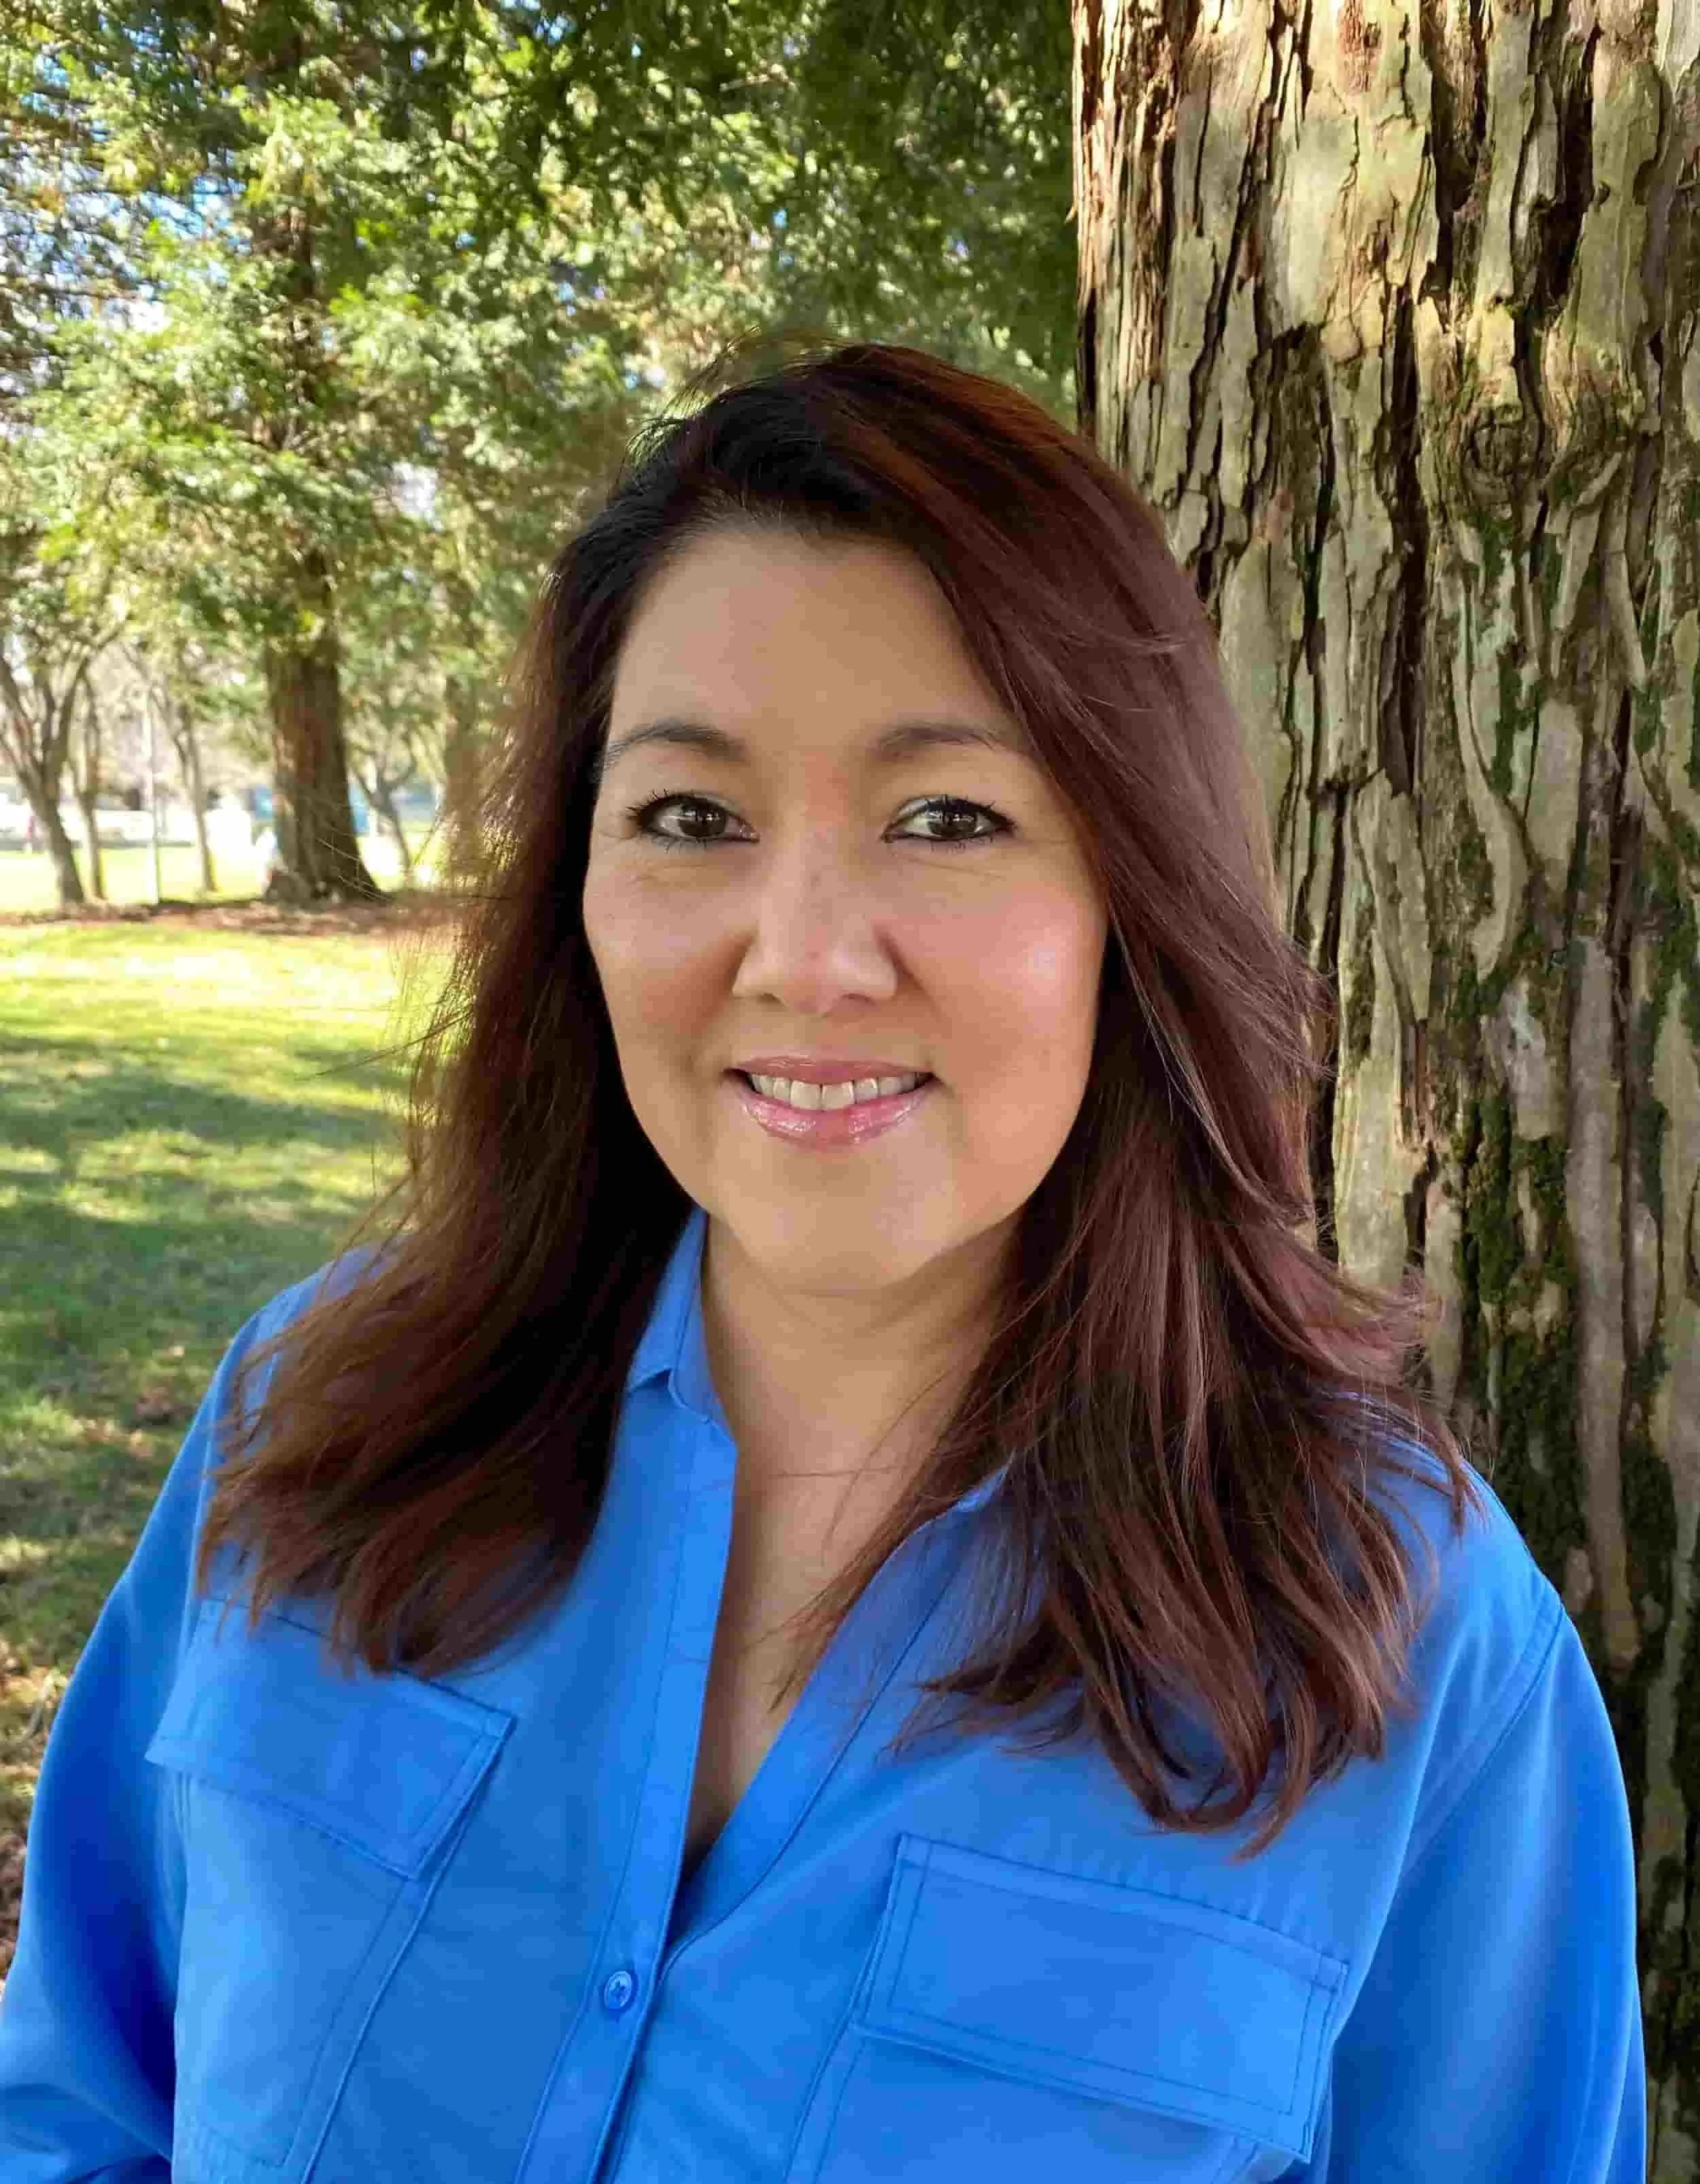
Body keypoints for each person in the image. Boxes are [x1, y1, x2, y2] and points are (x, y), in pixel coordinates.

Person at [0, 343, 1644, 2183]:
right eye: (690, 817)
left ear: (1132, 891)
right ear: (579, 893)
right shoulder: (301, 1428)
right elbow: (80, 2106)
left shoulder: (1403, 1637)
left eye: (946, 816)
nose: (802, 956)